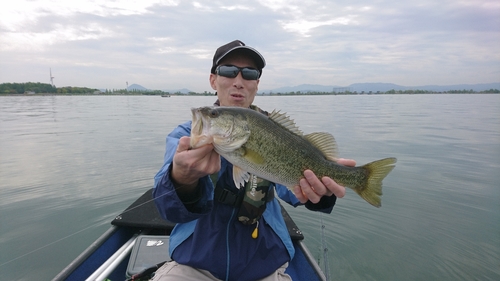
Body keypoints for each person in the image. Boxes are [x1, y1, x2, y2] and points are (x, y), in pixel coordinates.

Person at [152, 40, 355, 281]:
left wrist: (322, 192)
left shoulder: (275, 130)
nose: (239, 81)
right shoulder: (185, 136)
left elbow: (293, 193)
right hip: (195, 264)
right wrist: (182, 179)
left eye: (249, 73)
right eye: (228, 71)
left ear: (256, 84)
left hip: (263, 265)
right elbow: (167, 208)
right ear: (213, 80)